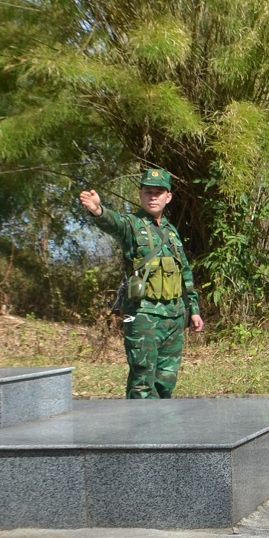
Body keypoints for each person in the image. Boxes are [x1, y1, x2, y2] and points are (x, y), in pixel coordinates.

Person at [78, 167, 205, 398]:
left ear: (169, 197)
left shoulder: (172, 232)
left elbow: (184, 271)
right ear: (141, 195)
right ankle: (140, 432)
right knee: (142, 379)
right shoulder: (131, 224)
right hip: (143, 314)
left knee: (166, 380)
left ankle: (161, 431)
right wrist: (98, 210)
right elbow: (113, 222)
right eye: (148, 191)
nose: (153, 196)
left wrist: (193, 310)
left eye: (159, 192)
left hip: (174, 316)